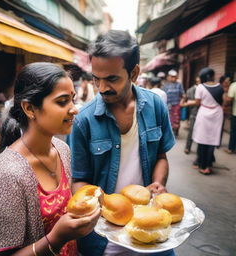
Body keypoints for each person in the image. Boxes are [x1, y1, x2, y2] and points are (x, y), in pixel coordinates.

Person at [68, 30, 176, 256]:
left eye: (112, 78)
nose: (102, 87)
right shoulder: (83, 120)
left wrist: (158, 182)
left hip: (150, 224)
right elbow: (78, 179)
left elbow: (161, 157)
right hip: (103, 239)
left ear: (134, 73)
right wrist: (100, 204)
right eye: (96, 78)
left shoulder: (155, 106)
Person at [0, 62, 100, 256]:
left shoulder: (62, 149)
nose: (74, 109)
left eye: (72, 99)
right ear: (29, 108)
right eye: (62, 102)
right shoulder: (7, 176)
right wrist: (56, 238)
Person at [182, 68, 224, 175]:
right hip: (217, 115)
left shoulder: (200, 87)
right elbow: (222, 102)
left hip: (204, 113)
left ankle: (200, 164)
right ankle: (207, 166)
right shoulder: (220, 87)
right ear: (212, 75)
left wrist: (186, 103)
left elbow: (197, 102)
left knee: (202, 139)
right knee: (212, 140)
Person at [163, 70, 185, 137]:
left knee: (176, 119)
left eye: (175, 77)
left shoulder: (179, 84)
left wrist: (182, 101)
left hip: (176, 105)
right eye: (172, 77)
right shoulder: (165, 85)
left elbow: (183, 94)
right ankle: (169, 132)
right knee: (169, 119)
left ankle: (176, 132)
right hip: (168, 105)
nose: (173, 78)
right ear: (168, 77)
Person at [183, 76, 201, 154]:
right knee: (191, 130)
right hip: (194, 112)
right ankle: (188, 147)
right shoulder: (192, 90)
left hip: (199, 112)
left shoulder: (201, 89)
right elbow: (187, 100)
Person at [224, 80, 236, 153]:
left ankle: (231, 148)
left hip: (235, 113)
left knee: (234, 131)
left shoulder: (234, 85)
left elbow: (229, 99)